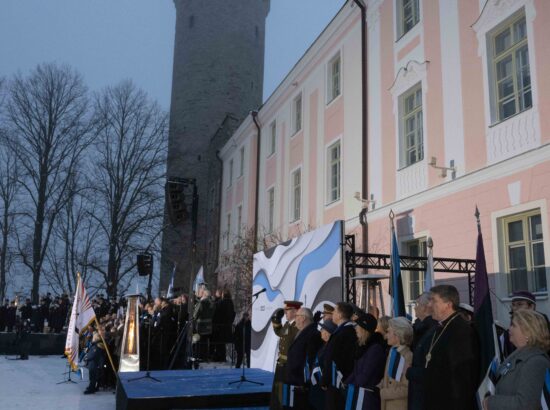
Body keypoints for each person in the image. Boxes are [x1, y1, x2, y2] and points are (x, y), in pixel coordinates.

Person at [424, 285, 479, 410]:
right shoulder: (441, 327)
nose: (429, 305)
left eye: (433, 300)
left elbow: (462, 378)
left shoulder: (461, 331)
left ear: (448, 304)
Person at [483, 309, 550, 410]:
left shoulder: (536, 362)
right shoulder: (518, 355)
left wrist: (491, 402)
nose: (509, 329)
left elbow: (525, 404)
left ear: (528, 332)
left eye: (513, 325)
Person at [344, 313, 386, 410]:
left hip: (366, 397)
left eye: (357, 326)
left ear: (364, 329)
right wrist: (345, 384)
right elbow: (356, 371)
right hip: (358, 393)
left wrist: (352, 385)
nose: (355, 329)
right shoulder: (362, 347)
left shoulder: (375, 348)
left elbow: (365, 375)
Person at [320, 302, 357, 410]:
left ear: (340, 315)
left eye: (335, 311)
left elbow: (333, 359)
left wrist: (325, 380)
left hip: (338, 383)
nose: (333, 313)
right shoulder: (343, 331)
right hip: (337, 382)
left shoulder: (344, 332)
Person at [285, 307, 323, 409]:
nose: (295, 318)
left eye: (296, 316)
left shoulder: (313, 335)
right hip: (294, 384)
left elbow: (311, 362)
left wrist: (305, 384)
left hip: (301, 387)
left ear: (303, 318)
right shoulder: (303, 332)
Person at [406, 292, 437, 410]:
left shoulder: (431, 330)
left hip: (424, 388)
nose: (414, 307)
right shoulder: (419, 327)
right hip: (417, 384)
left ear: (425, 307)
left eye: (417, 304)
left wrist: (411, 370)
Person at [270, 300, 302, 410]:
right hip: (282, 364)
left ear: (295, 311)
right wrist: (276, 321)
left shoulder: (297, 327)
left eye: (287, 310)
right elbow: (281, 333)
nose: (285, 312)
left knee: (284, 393)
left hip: (289, 365)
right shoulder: (288, 324)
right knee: (278, 391)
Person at [501, 290, 550, 357]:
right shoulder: (512, 324)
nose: (515, 308)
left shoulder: (541, 322)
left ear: (531, 306)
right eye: (513, 305)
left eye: (519, 304)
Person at [379, 317, 413, 410]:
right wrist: (379, 386)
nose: (386, 336)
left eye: (389, 332)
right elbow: (388, 378)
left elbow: (407, 388)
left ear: (398, 334)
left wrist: (383, 393)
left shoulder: (407, 356)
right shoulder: (392, 352)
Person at [211, 288, 235, 362]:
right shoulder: (231, 303)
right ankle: (223, 357)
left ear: (223, 295)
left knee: (219, 343)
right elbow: (233, 314)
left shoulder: (221, 303)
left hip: (220, 326)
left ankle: (220, 357)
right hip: (227, 326)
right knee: (223, 343)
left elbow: (216, 314)